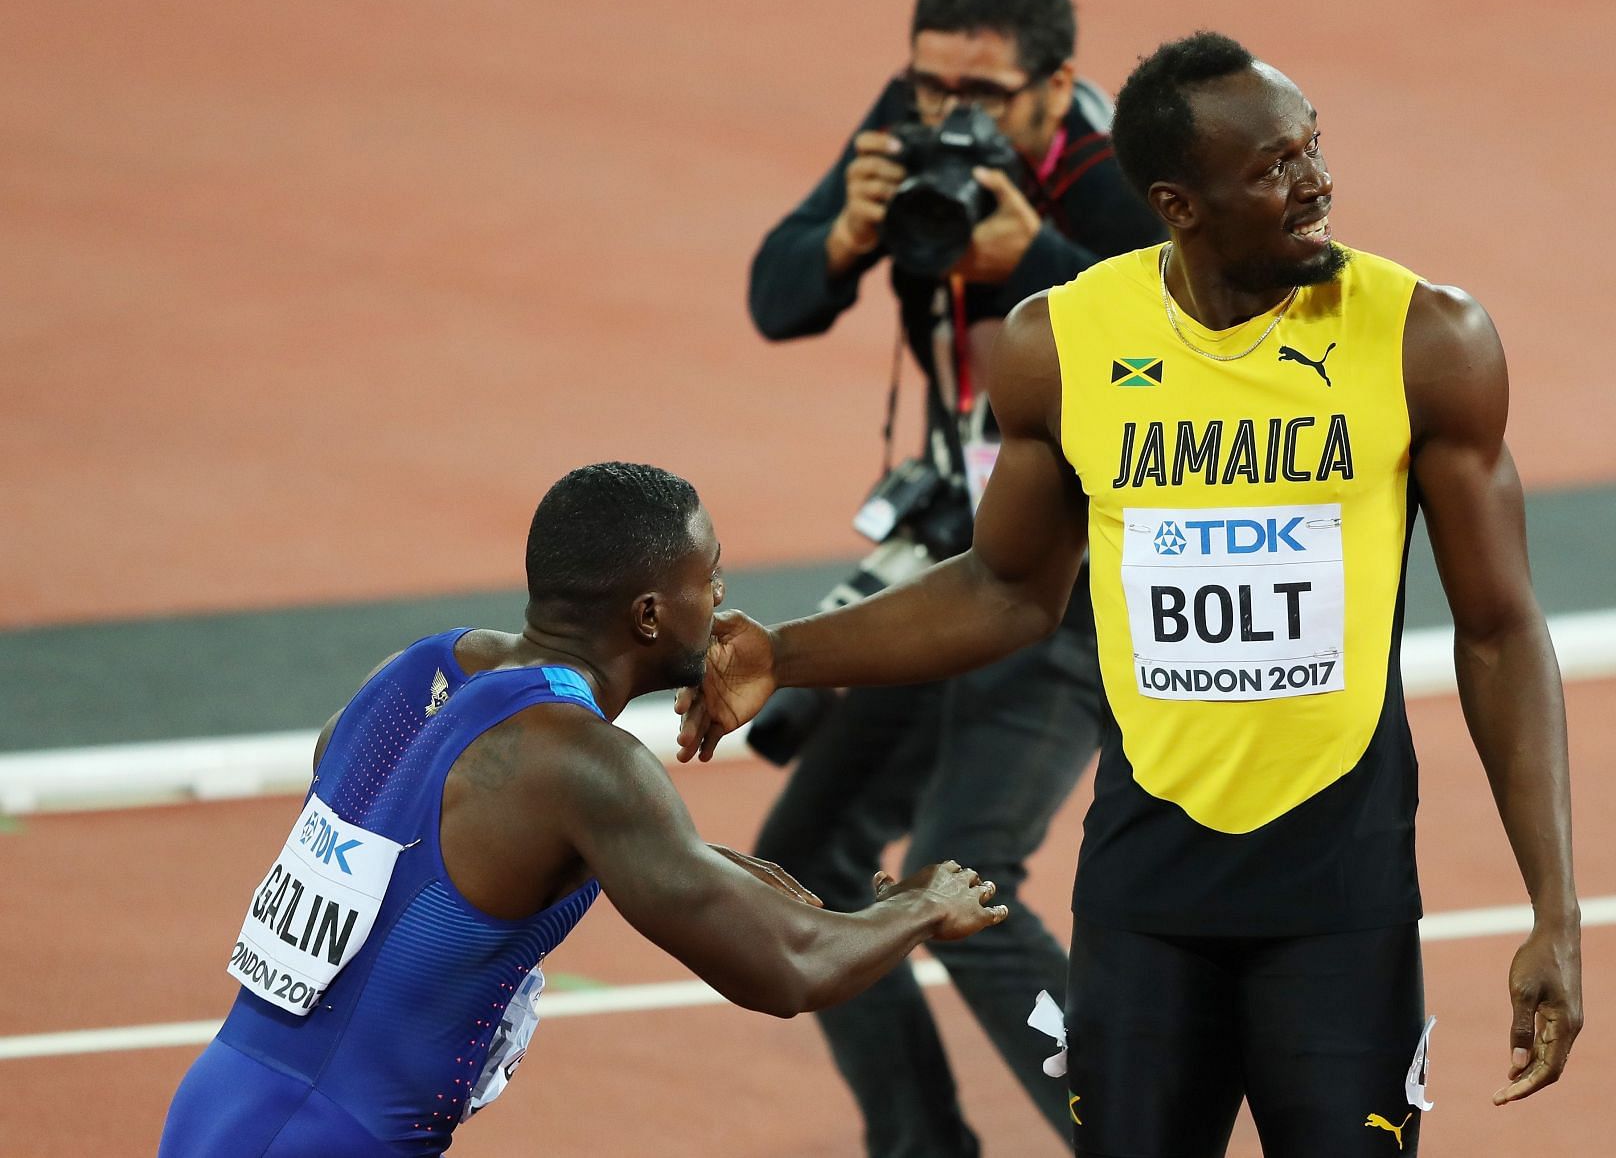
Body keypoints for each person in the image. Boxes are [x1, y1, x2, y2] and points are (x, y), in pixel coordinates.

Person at [681, 33, 1583, 1157]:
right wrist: (789, 655)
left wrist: (1554, 907)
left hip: (1339, 904)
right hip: (1147, 902)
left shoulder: (1423, 340)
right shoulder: (1060, 345)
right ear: (1178, 203)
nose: (1316, 185)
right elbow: (1008, 590)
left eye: (1313, 150)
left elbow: (1499, 630)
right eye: (1272, 168)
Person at [157, 462, 1008, 1158]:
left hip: (221, 1101)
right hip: (330, 1142)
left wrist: (669, 855)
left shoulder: (419, 669)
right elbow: (790, 970)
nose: (722, 602)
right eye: (709, 581)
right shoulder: (583, 764)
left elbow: (419, 838)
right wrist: (920, 905)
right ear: (648, 615)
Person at [745, 0, 1162, 1156]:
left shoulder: (1130, 177)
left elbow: (1194, 369)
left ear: (1055, 87)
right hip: (962, 561)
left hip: (1081, 583)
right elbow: (776, 298)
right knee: (802, 865)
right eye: (928, 87)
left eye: (978, 96)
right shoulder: (912, 130)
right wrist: (848, 234)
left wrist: (1035, 267)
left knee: (961, 879)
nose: (946, 117)